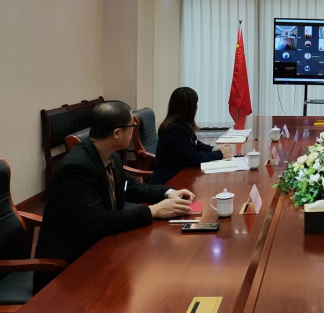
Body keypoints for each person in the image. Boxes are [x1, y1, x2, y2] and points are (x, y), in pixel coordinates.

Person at [34, 101, 194, 293]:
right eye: (132, 126)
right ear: (117, 133)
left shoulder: (108, 154)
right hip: (69, 269)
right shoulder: (76, 167)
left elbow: (130, 186)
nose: (134, 131)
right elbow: (98, 220)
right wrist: (152, 211)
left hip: (101, 247)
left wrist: (168, 193)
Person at [150, 88, 234, 186]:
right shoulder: (173, 130)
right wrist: (219, 154)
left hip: (181, 176)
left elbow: (196, 144)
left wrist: (215, 149)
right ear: (189, 108)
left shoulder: (183, 125)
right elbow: (191, 158)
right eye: (195, 104)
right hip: (168, 182)